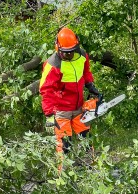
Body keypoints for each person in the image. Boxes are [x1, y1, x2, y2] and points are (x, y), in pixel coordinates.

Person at [39, 27, 100, 155]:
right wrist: (49, 115)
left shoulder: (82, 56)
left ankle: (93, 170)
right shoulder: (53, 64)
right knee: (64, 145)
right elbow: (46, 90)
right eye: (65, 52)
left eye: (71, 51)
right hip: (61, 110)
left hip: (78, 106)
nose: (68, 54)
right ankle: (63, 172)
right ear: (58, 48)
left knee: (86, 139)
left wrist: (90, 85)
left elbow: (86, 72)